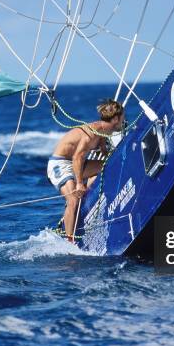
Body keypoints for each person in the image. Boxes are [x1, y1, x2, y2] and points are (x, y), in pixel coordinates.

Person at [47, 99, 125, 241]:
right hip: (60, 164)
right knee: (72, 200)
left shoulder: (104, 132)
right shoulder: (91, 133)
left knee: (107, 166)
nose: (124, 121)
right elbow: (78, 157)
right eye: (122, 118)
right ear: (115, 119)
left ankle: (86, 199)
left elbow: (105, 153)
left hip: (75, 164)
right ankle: (69, 241)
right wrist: (79, 183)